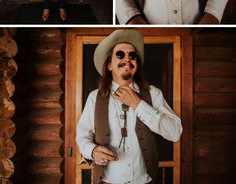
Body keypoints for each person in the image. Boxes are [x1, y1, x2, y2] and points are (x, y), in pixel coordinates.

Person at [76, 29, 182, 184]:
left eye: (132, 55)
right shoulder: (95, 97)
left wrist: (138, 104)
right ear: (109, 65)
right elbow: (82, 136)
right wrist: (93, 151)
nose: (127, 59)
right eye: (120, 54)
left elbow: (175, 133)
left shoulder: (153, 94)